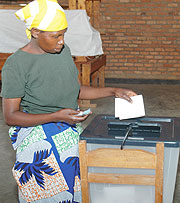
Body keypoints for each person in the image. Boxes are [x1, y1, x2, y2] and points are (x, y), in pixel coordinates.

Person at [1, 0, 137, 202]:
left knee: (77, 187)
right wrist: (56, 116)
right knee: (49, 192)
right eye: (56, 35)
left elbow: (75, 90)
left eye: (63, 34)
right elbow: (11, 116)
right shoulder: (16, 64)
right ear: (36, 32)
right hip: (37, 135)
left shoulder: (62, 53)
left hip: (67, 128)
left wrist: (113, 90)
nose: (61, 41)